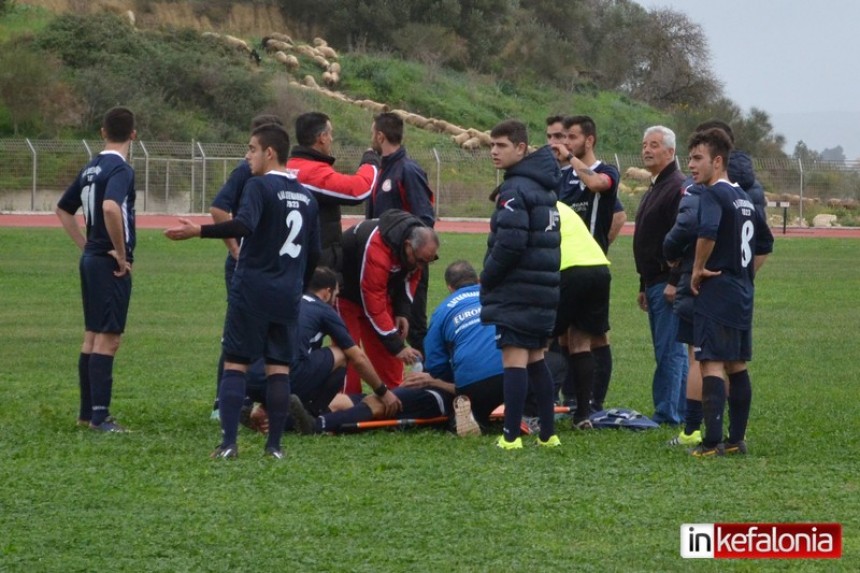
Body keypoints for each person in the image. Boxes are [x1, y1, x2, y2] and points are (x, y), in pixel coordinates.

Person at [165, 123, 321, 460]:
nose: (247, 156)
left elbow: (244, 224)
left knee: (235, 364)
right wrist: (296, 284)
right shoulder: (307, 197)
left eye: (251, 149)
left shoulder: (258, 186)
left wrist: (198, 231)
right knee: (278, 369)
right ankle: (275, 448)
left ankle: (229, 445)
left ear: (269, 152)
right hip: (286, 294)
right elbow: (315, 253)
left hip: (252, 290)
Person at [687, 128, 773, 456]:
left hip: (718, 288)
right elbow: (764, 242)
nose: (691, 166)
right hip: (741, 290)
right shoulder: (745, 198)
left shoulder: (713, 194)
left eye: (698, 159)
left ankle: (711, 443)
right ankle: (736, 440)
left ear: (717, 161)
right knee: (736, 364)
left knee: (709, 361)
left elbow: (707, 232)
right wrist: (745, 273)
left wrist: (698, 268)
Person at [55, 106, 137, 433]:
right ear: (133, 134)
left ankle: (87, 413)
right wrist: (119, 252)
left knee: (91, 336)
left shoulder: (91, 166)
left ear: (102, 131)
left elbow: (63, 210)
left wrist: (85, 244)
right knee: (108, 339)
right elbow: (110, 207)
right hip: (107, 261)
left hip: (91, 259)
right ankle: (100, 417)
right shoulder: (121, 169)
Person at [241, 266, 402, 431]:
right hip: (283, 378)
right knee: (341, 353)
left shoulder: (284, 300)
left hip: (251, 380)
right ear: (326, 292)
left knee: (291, 355)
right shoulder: (323, 309)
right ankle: (310, 416)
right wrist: (383, 391)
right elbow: (357, 357)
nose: (334, 301)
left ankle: (262, 411)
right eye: (336, 295)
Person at [481, 119, 561, 450]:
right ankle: (548, 434)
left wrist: (487, 276)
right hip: (543, 288)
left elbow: (511, 244)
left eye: (501, 146)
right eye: (491, 145)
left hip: (518, 288)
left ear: (521, 148)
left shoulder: (515, 189)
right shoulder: (544, 185)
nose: (493, 152)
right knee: (535, 358)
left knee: (514, 360)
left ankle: (511, 436)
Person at [208, 114, 283, 420]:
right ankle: (221, 402)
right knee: (238, 334)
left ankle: (258, 399)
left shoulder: (281, 178)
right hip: (247, 267)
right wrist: (234, 248)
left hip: (272, 268)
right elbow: (218, 207)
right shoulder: (246, 172)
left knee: (270, 335)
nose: (250, 154)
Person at [548, 114, 619, 412]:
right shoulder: (563, 178)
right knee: (565, 336)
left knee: (596, 335)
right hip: (564, 265)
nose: (564, 144)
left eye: (571, 138)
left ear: (588, 140)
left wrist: (572, 161)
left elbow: (597, 185)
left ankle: (594, 401)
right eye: (561, 138)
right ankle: (573, 400)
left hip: (590, 266)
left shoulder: (607, 170)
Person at [339, 209, 435, 393]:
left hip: (378, 293)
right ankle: (349, 402)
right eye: (420, 260)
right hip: (346, 294)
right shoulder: (377, 248)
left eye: (428, 262)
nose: (421, 266)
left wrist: (402, 312)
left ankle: (396, 393)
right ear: (407, 245)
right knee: (350, 350)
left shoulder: (417, 252)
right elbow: (373, 303)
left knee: (387, 351)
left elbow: (410, 280)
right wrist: (398, 347)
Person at [633, 125, 688, 425]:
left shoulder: (676, 187)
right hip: (653, 281)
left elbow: (682, 239)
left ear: (670, 152)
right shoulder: (656, 187)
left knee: (671, 350)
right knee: (664, 347)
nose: (647, 150)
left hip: (667, 282)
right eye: (644, 144)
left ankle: (670, 412)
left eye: (654, 145)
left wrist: (674, 280)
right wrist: (644, 283)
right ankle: (673, 407)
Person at [367, 112, 435, 355]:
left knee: (415, 328)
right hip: (384, 262)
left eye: (372, 133)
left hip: (409, 265)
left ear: (380, 135)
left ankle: (434, 380)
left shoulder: (408, 170)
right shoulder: (382, 169)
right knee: (386, 323)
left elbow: (425, 219)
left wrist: (410, 258)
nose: (371, 138)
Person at [414, 260, 505, 432]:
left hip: (473, 384)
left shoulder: (442, 311)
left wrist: (443, 379)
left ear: (449, 287)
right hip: (513, 374)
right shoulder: (497, 297)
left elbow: (435, 362)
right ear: (478, 280)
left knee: (469, 395)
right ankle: (527, 411)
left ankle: (472, 416)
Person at [286, 112, 380, 273]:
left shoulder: (288, 167)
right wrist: (370, 161)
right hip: (316, 268)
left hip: (291, 261)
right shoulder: (312, 172)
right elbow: (358, 190)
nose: (332, 139)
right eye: (330, 133)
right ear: (321, 137)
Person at [553, 202, 612, 427]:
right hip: (597, 267)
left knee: (543, 339)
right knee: (581, 342)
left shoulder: (530, 203)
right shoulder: (561, 206)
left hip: (569, 269)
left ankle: (537, 407)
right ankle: (584, 413)